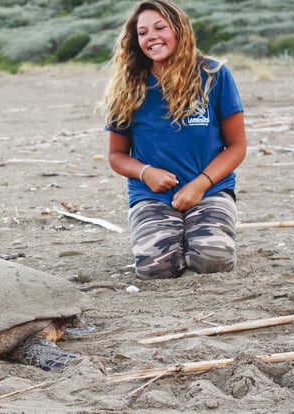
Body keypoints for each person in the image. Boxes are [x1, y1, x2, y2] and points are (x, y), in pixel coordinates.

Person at [99, 0, 246, 280]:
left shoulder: (214, 75)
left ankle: (207, 230)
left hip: (210, 191)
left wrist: (200, 184)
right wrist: (145, 172)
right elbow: (117, 156)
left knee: (213, 262)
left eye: (159, 27)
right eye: (142, 32)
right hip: (152, 196)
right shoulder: (128, 86)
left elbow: (237, 147)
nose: (151, 37)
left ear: (179, 30)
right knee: (156, 269)